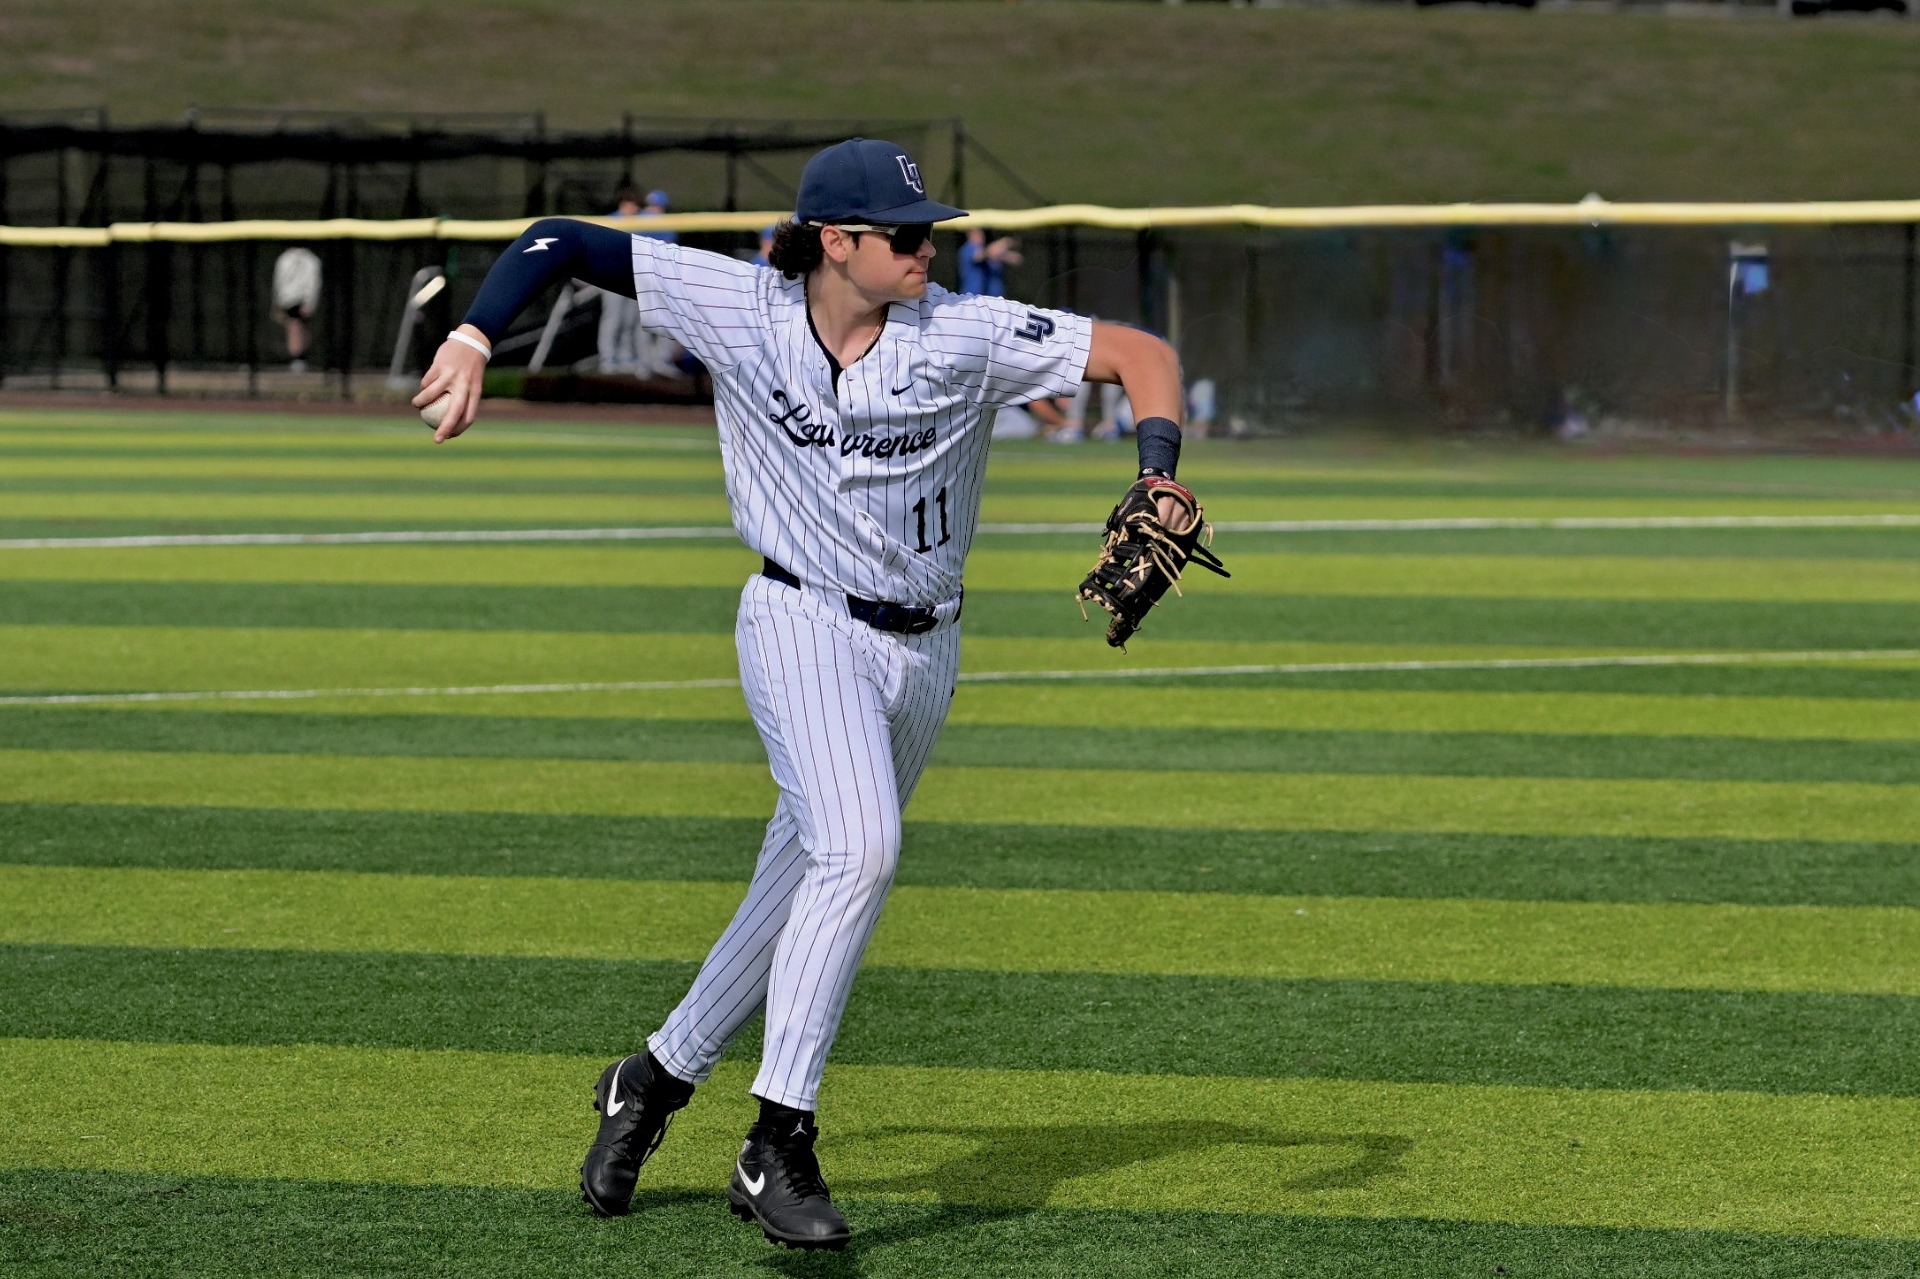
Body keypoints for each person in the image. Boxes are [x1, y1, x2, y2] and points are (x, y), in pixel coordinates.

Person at [413, 137, 1197, 1253]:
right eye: (907, 232)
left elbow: (1142, 353)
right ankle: (778, 1138)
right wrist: (474, 332)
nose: (932, 246)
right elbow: (562, 243)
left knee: (801, 881)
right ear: (838, 242)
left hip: (926, 650)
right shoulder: (741, 305)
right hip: (798, 619)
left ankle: (650, 1079)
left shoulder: (963, 333)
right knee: (862, 850)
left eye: (932, 228)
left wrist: (1155, 468)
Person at [270, 246, 321, 373]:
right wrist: (278, 301)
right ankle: (297, 359)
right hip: (288, 299)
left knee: (301, 328)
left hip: (301, 298)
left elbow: (313, 282)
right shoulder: (285, 259)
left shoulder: (310, 260)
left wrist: (309, 302)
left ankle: (300, 358)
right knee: (294, 327)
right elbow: (279, 281)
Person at [956, 226, 1020, 297]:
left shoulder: (985, 250)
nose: (981, 236)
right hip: (970, 294)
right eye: (977, 233)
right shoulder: (968, 248)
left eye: (981, 233)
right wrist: (1002, 244)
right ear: (970, 234)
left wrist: (1004, 252)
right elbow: (980, 255)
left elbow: (1015, 258)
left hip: (987, 295)